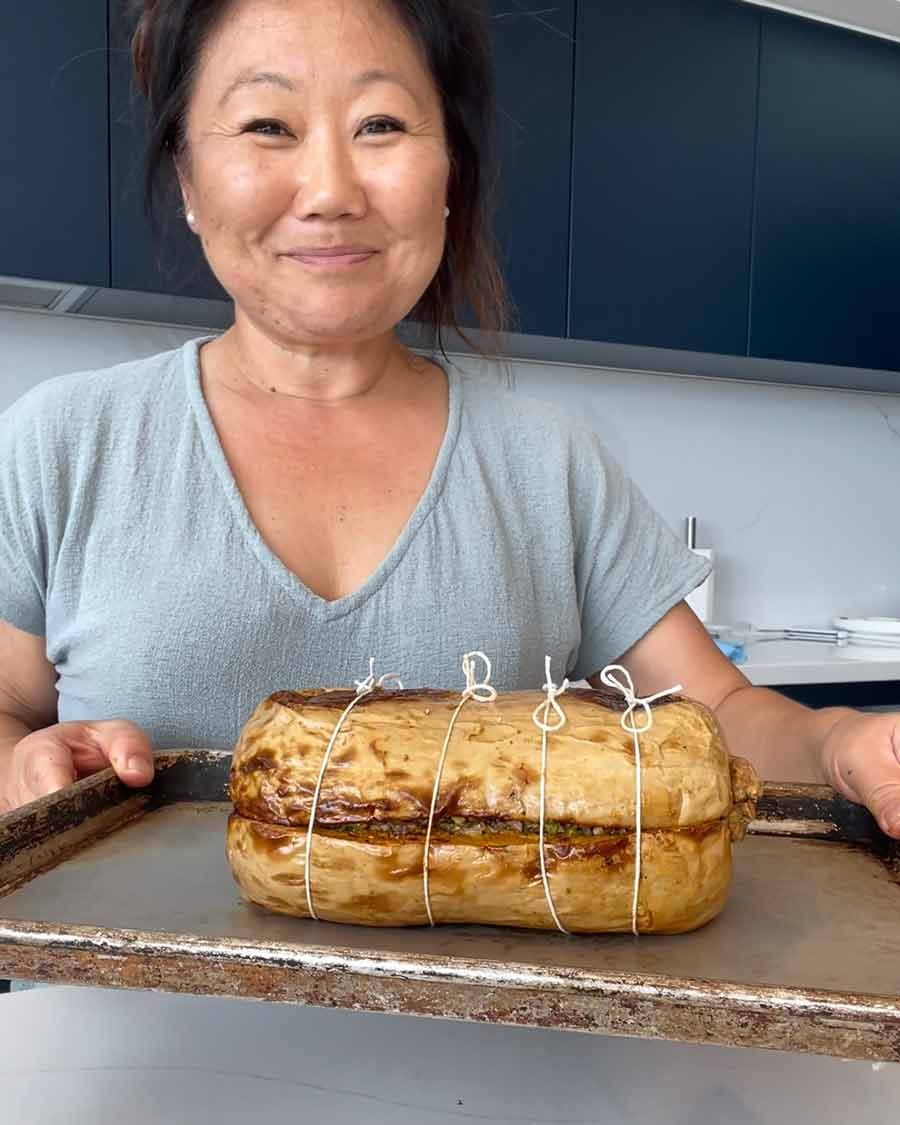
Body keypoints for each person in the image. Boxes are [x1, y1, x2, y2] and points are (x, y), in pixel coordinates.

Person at [0, 0, 898, 839]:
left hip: (492, 1009)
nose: (330, 189)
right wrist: (20, 762)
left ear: (449, 178)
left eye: (381, 126)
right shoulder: (65, 444)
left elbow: (721, 715)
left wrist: (837, 744)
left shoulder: (549, 463)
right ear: (187, 178)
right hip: (110, 1005)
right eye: (268, 126)